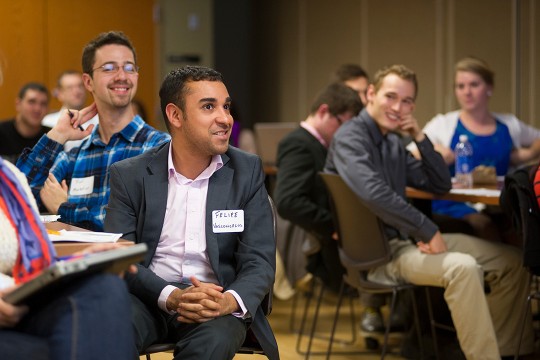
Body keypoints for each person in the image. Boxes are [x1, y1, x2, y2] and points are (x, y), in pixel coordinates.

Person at [324, 64, 534, 359]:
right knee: (463, 268)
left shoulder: (394, 142)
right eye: (391, 97)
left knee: (512, 262)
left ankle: (507, 352)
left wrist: (420, 137)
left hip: (407, 243)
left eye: (407, 101)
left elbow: (439, 182)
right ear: (371, 94)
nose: (398, 107)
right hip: (379, 255)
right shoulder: (350, 137)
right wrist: (427, 229)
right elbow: (374, 193)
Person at [104, 65, 279, 360]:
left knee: (212, 344)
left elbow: (259, 260)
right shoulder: (130, 175)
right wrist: (170, 296)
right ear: (175, 115)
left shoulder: (246, 171)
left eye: (226, 106)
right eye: (209, 107)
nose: (225, 119)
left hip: (216, 303)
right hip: (148, 298)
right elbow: (122, 259)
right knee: (107, 330)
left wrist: (227, 301)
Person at [17, 31, 170, 231]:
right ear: (88, 82)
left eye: (129, 68)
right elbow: (16, 196)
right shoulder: (75, 155)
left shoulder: (158, 147)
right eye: (109, 68)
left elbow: (131, 224)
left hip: (130, 262)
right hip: (76, 261)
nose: (122, 76)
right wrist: (57, 136)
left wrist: (64, 208)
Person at [0, 159, 135, 359]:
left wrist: (79, 261)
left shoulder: (8, 175)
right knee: (77, 346)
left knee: (106, 286)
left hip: (21, 298)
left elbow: (37, 258)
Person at [411, 57, 540, 242]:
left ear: (489, 88)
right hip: (453, 202)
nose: (467, 92)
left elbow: (538, 138)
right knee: (485, 226)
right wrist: (436, 155)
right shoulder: (444, 124)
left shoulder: (509, 124)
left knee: (523, 230)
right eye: (460, 86)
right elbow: (410, 155)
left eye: (473, 84)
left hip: (497, 202)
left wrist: (527, 154)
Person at [274, 82, 361, 294]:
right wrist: (333, 226)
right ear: (324, 111)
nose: (345, 134)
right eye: (343, 125)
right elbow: (288, 202)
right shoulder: (299, 144)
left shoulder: (317, 144)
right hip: (326, 250)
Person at [42, 70, 98, 152]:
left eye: (80, 86)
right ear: (59, 93)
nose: (77, 91)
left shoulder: (100, 120)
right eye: (70, 87)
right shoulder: (47, 121)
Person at [0, 82, 50, 164]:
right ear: (18, 104)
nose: (37, 109)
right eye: (32, 102)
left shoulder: (51, 137)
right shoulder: (2, 132)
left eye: (43, 104)